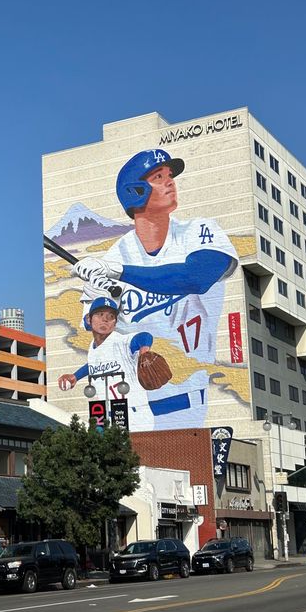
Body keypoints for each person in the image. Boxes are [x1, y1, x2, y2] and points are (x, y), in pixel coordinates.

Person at [72, 149, 238, 430]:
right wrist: (100, 297)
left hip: (184, 400)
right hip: (125, 404)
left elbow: (196, 277)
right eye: (158, 177)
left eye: (170, 176)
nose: (170, 182)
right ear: (135, 191)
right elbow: (95, 333)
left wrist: (119, 273)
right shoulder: (112, 258)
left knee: (183, 473)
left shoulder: (199, 231)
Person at [58, 297, 155, 430]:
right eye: (100, 314)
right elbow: (92, 365)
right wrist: (75, 376)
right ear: (89, 319)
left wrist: (144, 352)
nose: (105, 319)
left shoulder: (120, 342)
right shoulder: (92, 348)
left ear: (115, 323)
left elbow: (144, 336)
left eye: (110, 316)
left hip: (134, 414)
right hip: (106, 416)